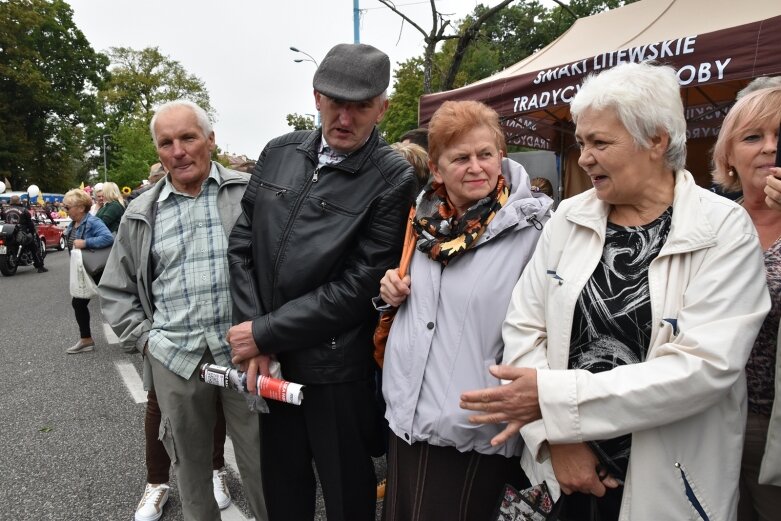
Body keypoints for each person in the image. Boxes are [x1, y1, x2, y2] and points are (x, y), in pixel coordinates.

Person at [459, 62, 771, 521]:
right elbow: (524, 325)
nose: (584, 157)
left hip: (669, 482)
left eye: (600, 143)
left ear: (657, 141)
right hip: (561, 473)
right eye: (582, 142)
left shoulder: (722, 228)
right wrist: (558, 437)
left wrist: (554, 401)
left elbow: (703, 368)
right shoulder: (568, 216)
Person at [227, 43, 417, 521]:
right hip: (272, 366)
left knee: (347, 495)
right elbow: (241, 245)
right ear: (316, 97)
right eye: (335, 102)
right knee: (283, 491)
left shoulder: (392, 176)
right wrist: (257, 339)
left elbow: (359, 287)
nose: (345, 117)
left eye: (360, 105)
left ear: (383, 107)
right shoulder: (278, 151)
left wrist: (265, 332)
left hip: (337, 372)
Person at [378, 100, 551, 521]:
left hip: (477, 433)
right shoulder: (422, 224)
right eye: (460, 158)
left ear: (500, 156)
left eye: (485, 154)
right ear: (436, 170)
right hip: (408, 424)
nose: (476, 167)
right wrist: (389, 294)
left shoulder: (536, 230)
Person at [98, 99, 267, 521]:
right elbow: (115, 290)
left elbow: (280, 270)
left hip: (246, 355)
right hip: (177, 358)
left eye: (188, 137)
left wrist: (269, 332)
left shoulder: (250, 195)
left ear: (210, 140)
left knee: (265, 466)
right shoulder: (140, 211)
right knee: (190, 473)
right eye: (166, 142)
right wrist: (147, 341)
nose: (178, 151)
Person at [711, 85, 781, 521]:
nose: (770, 146)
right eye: (753, 136)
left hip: (773, 424)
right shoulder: (711, 222)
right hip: (711, 416)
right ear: (729, 157)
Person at [63, 189, 113, 353]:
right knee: (78, 303)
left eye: (68, 206)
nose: (65, 209)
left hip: (98, 269)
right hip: (84, 269)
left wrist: (86, 243)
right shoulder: (73, 224)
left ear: (81, 207)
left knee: (115, 302)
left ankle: (137, 334)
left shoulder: (92, 222)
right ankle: (86, 339)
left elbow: (108, 238)